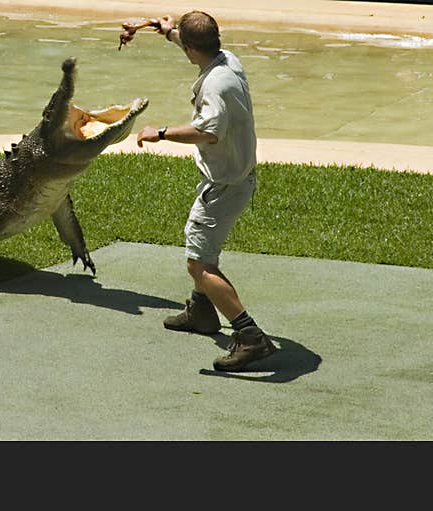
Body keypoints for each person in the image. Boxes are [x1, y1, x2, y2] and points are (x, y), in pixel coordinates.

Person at [136, 11, 276, 371]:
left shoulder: (216, 86)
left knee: (199, 264)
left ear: (191, 48)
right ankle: (201, 313)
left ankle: (250, 338)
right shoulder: (228, 60)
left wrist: (161, 133)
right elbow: (190, 42)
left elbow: (208, 132)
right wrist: (167, 31)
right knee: (204, 249)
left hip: (224, 185)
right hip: (234, 177)